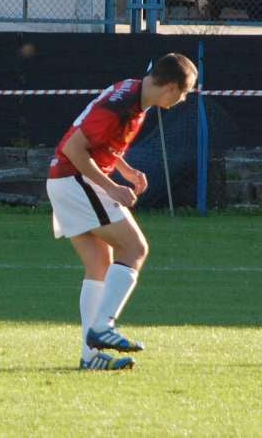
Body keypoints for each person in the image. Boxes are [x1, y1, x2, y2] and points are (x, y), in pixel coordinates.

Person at [46, 53, 197, 370]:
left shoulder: (132, 92)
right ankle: (103, 327)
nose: (182, 100)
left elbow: (101, 144)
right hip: (74, 180)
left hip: (64, 181)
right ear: (169, 87)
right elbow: (75, 149)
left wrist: (124, 170)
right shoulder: (122, 106)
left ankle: (90, 357)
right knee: (135, 247)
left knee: (99, 265)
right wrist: (112, 187)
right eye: (183, 93)